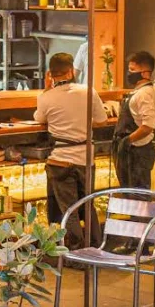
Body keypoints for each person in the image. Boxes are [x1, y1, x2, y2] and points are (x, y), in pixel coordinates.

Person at [34, 52, 105, 247]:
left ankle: (76, 253)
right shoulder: (88, 91)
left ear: (50, 74)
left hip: (61, 159)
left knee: (69, 210)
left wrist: (46, 91)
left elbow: (39, 119)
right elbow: (101, 120)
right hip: (86, 158)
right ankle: (95, 246)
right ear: (71, 71)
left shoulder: (47, 97)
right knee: (88, 204)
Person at [114, 51, 155, 190]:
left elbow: (148, 126)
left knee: (138, 198)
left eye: (133, 70)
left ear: (145, 73)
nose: (129, 73)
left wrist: (127, 141)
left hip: (138, 153)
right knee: (130, 196)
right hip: (132, 151)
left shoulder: (144, 94)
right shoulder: (140, 91)